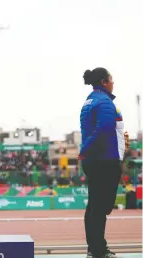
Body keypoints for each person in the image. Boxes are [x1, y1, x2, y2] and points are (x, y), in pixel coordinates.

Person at [79, 68, 129, 258]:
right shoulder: (104, 101)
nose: (113, 82)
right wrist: (85, 150)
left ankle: (94, 248)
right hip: (104, 161)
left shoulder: (90, 101)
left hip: (97, 160)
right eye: (111, 79)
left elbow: (101, 129)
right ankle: (99, 250)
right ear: (104, 81)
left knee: (94, 206)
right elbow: (103, 129)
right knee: (101, 207)